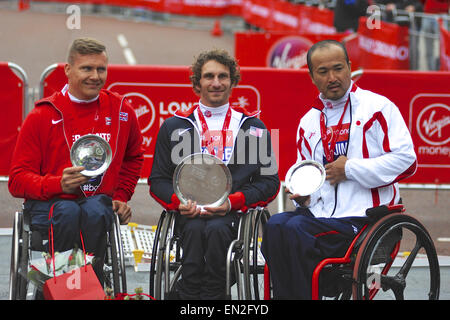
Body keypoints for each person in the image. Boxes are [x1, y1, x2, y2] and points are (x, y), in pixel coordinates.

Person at [261, 40, 417, 299]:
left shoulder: (377, 108)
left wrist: (351, 168)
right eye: (323, 72)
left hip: (366, 220)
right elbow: (313, 179)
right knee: (276, 224)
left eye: (338, 68)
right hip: (321, 217)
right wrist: (305, 195)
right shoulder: (308, 122)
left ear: (349, 68)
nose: (332, 77)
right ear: (312, 77)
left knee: (295, 230)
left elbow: (407, 161)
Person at [8, 37, 144, 280]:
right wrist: (57, 184)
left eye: (101, 69)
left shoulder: (122, 110)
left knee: (96, 208)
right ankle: (59, 286)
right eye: (86, 68)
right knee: (67, 210)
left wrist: (122, 196)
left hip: (97, 204)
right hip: (50, 205)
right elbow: (17, 180)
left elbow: (133, 158)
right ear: (68, 70)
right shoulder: (42, 115)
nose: (95, 76)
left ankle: (90, 283)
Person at [149, 49, 280, 300]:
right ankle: (190, 295)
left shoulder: (254, 127)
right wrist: (178, 203)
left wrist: (233, 201)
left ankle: (210, 296)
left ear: (233, 82)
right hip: (189, 213)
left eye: (223, 76)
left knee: (218, 230)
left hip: (232, 216)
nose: (216, 83)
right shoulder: (175, 126)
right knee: (197, 229)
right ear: (197, 82)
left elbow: (270, 183)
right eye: (209, 76)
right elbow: (158, 181)